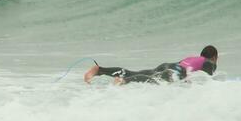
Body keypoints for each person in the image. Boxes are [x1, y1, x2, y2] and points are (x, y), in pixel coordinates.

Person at [84, 45, 218, 85]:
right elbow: (208, 80)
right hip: (175, 70)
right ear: (214, 57)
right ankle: (124, 81)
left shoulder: (193, 58)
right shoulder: (209, 63)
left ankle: (99, 70)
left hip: (167, 66)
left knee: (134, 73)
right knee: (154, 81)